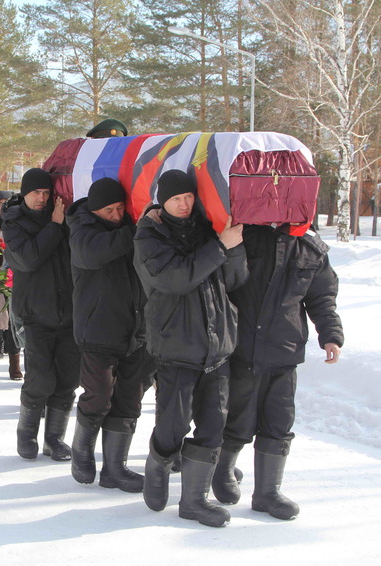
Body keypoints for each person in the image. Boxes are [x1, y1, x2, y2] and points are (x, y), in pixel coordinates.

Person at [133, 169, 246, 528]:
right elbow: (174, 279)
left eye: (188, 197)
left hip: (217, 347)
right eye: (175, 199)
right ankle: (158, 463)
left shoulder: (207, 227)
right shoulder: (149, 236)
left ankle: (194, 501)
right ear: (161, 202)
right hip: (175, 346)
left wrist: (234, 247)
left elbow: (235, 279)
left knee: (214, 424)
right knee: (173, 425)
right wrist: (219, 247)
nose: (184, 204)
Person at [211, 225, 344, 521]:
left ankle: (267, 493)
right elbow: (224, 283)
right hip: (243, 346)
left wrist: (331, 334)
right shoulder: (243, 234)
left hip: (285, 349)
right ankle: (222, 468)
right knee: (238, 417)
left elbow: (322, 297)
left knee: (279, 421)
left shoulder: (309, 246)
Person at [66, 177, 155, 493]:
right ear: (95, 209)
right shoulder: (82, 231)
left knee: (129, 400)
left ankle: (115, 468)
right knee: (99, 395)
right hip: (98, 331)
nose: (117, 214)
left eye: (120, 208)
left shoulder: (130, 228)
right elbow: (93, 254)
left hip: (136, 331)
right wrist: (136, 229)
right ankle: (81, 452)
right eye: (109, 210)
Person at [2, 168, 79, 462]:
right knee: (40, 379)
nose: (42, 199)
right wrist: (55, 226)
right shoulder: (14, 221)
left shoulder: (61, 217)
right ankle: (27, 434)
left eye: (47, 193)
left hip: (69, 312)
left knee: (68, 380)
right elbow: (28, 259)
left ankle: (55, 439)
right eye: (36, 193)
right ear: (25, 193)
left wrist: (61, 222)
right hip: (35, 313)